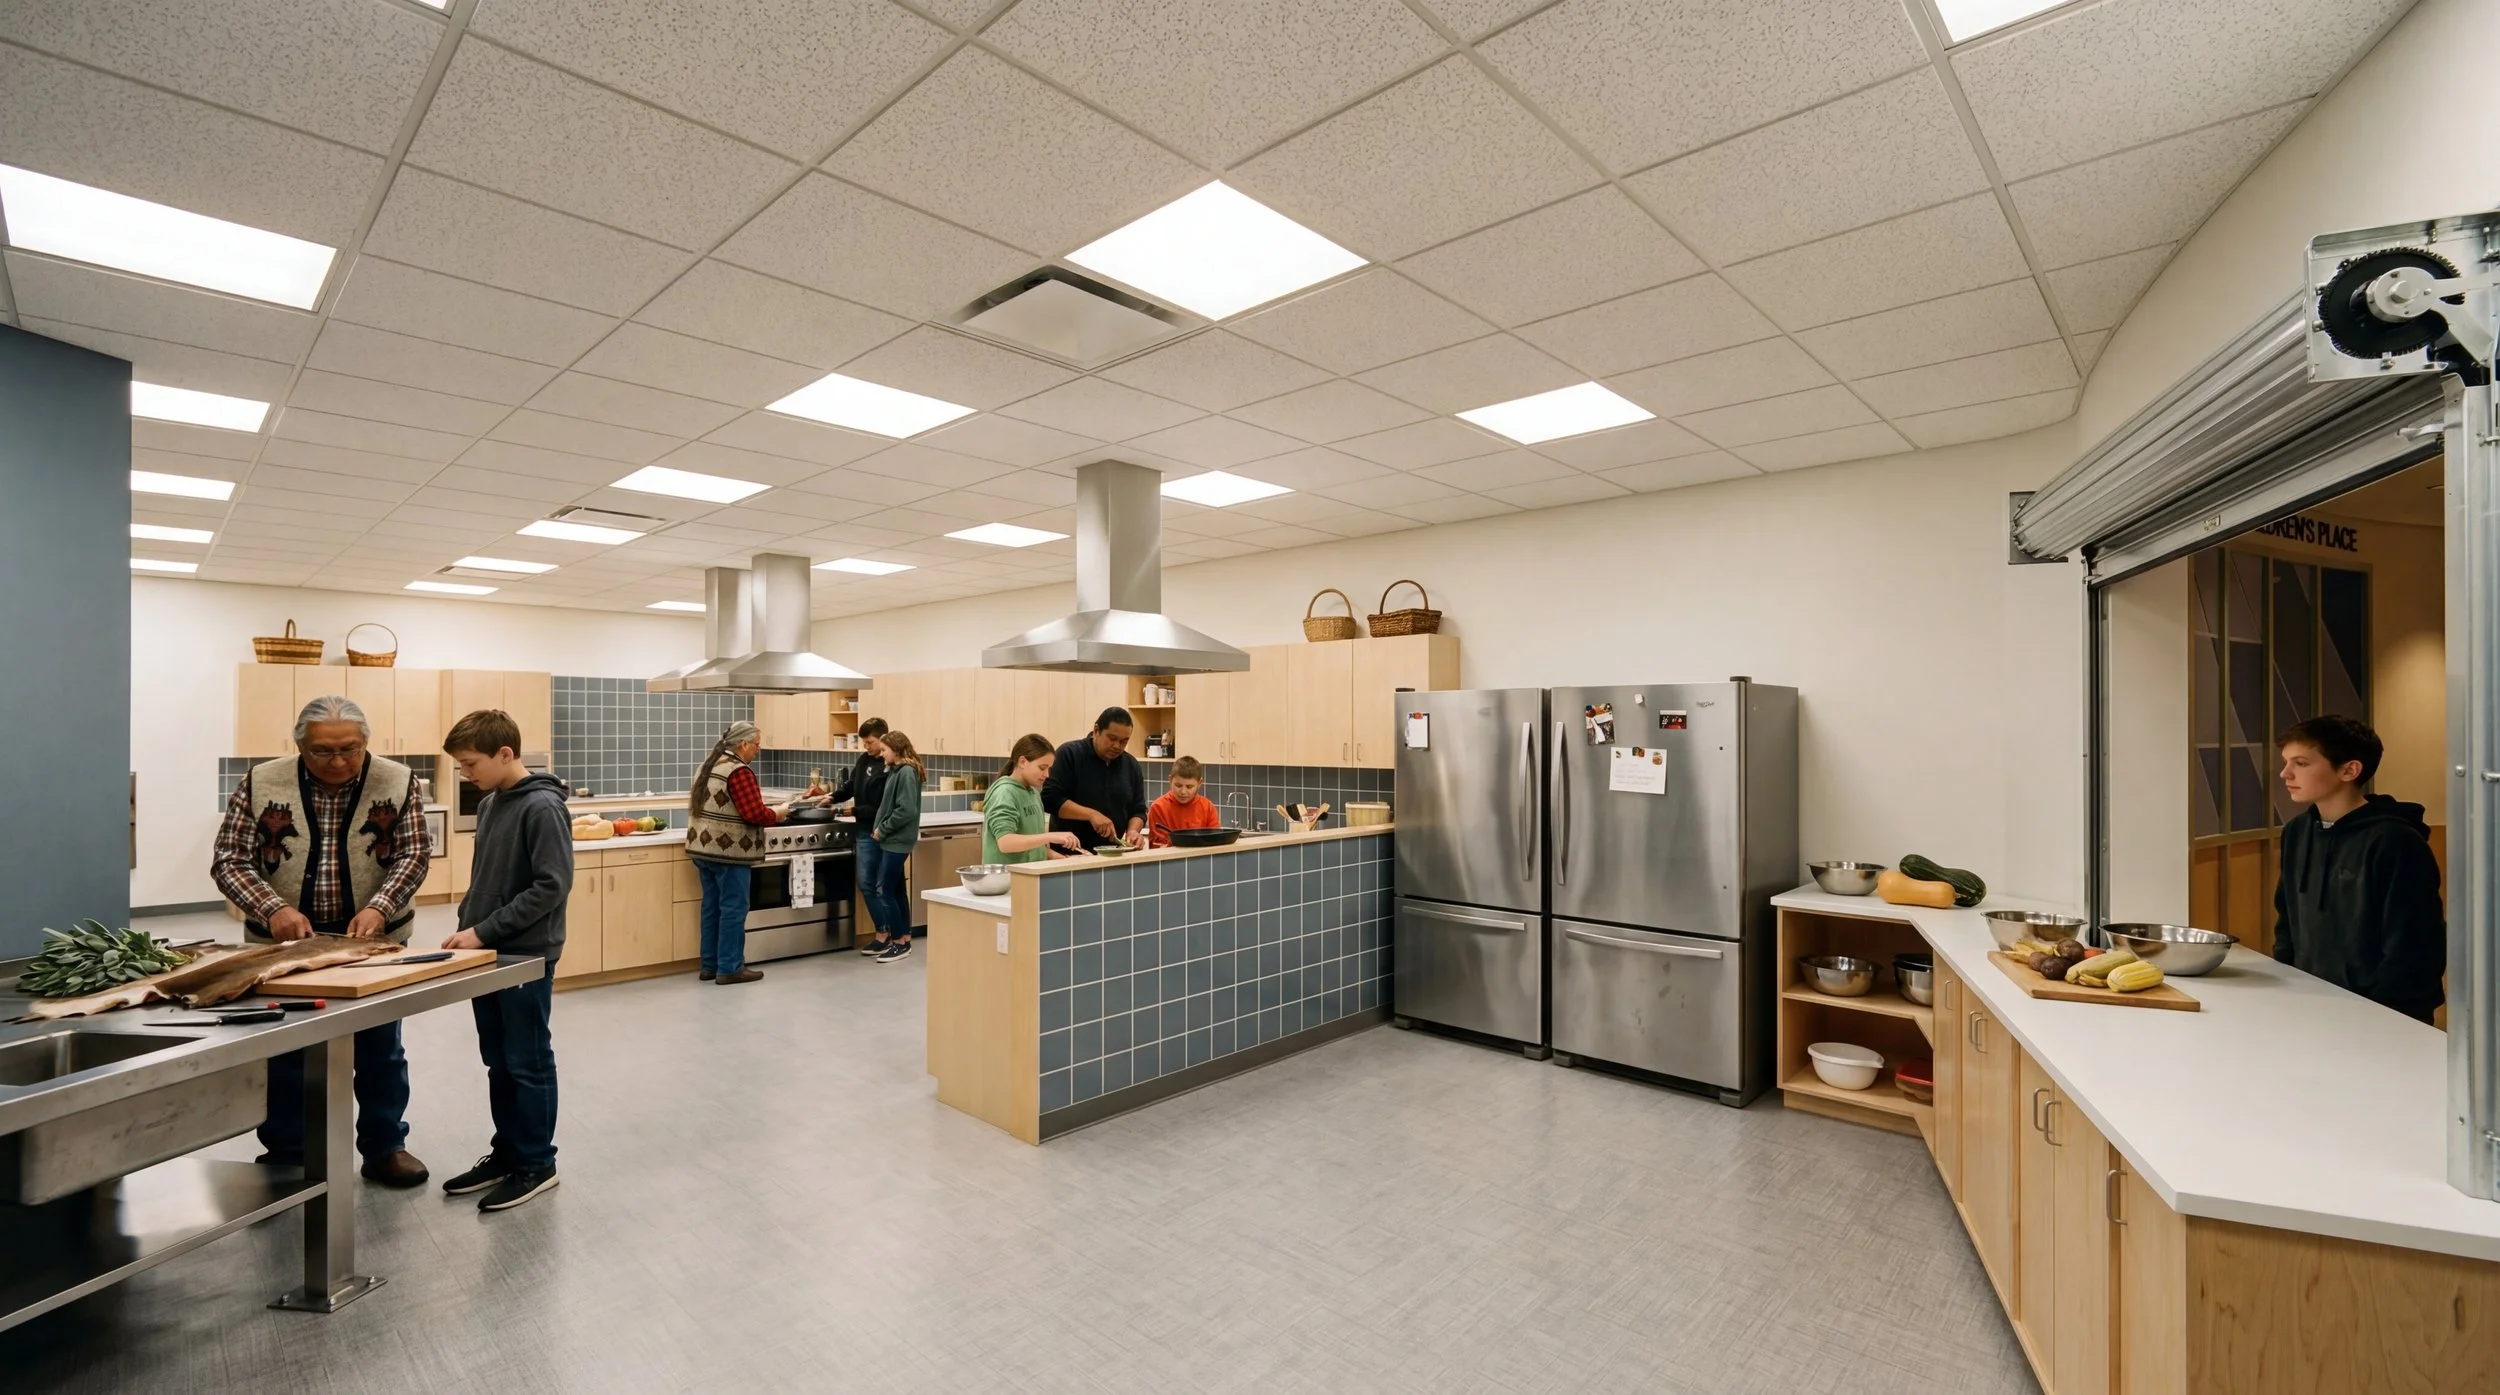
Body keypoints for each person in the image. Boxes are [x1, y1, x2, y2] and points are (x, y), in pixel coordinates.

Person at [209, 694, 430, 1185]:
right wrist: (274, 909)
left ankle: (385, 1145)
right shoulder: (262, 781)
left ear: (366, 742)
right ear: (300, 747)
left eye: (350, 750)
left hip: (374, 942)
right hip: (281, 945)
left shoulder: (398, 780)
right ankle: (289, 1153)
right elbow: (229, 860)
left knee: (381, 1049)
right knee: (286, 1048)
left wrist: (380, 907)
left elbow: (413, 856)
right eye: (323, 753)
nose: (339, 762)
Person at [438, 709, 570, 1211]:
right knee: (498, 1059)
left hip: (526, 954)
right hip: (490, 949)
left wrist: (483, 929)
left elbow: (551, 887)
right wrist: (469, 923)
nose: (466, 774)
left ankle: (538, 1163)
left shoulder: (542, 808)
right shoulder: (493, 802)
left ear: (506, 754)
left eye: (471, 764)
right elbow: (488, 877)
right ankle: (509, 1151)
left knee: (527, 1060)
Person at [2272, 714, 2446, 1024]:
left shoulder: (2396, 841)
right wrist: (2288, 985)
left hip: (2387, 1015)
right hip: (2312, 1005)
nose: (2284, 773)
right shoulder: (2297, 832)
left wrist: (2381, 1012)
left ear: (2349, 769)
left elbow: (2413, 943)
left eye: (2301, 763)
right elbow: (2287, 919)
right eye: (2286, 762)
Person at [686, 720, 800, 986]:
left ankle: (710, 966)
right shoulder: (739, 771)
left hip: (702, 849)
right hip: (729, 852)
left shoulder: (708, 764)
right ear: (743, 744)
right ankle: (730, 968)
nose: (758, 750)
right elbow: (754, 814)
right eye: (757, 745)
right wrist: (779, 813)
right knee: (734, 909)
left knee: (711, 908)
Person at [1042, 707, 1148, 850]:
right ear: (1096, 730)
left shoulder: (1131, 765)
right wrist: (1091, 815)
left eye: (1124, 741)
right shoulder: (1069, 754)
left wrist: (1133, 830)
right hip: (1068, 854)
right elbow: (1050, 800)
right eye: (1112, 738)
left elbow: (1138, 810)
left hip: (1112, 854)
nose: (1117, 746)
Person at [862, 730, 926, 963]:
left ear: (896, 750)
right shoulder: (898, 770)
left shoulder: (906, 772)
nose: (882, 754)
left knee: (884, 890)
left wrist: (883, 829)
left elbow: (906, 810)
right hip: (893, 840)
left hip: (896, 841)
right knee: (897, 890)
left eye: (885, 750)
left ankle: (899, 942)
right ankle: (905, 938)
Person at [983, 733, 1085, 865]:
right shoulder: (1004, 792)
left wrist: (1065, 860)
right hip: (1006, 879)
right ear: (1023, 762)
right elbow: (1005, 842)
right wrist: (1051, 836)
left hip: (1028, 878)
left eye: (1049, 769)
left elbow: (1034, 848)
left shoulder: (1033, 793)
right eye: (1042, 768)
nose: (1047, 774)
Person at [1146, 755, 1221, 848]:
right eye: (1178, 785)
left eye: (1189, 787)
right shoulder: (1158, 807)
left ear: (1199, 783)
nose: (1183, 792)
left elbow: (1215, 843)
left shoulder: (1208, 807)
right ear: (1170, 780)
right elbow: (1158, 847)